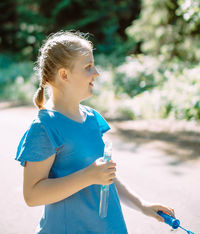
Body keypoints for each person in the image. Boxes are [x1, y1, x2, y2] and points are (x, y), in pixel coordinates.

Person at [15, 30, 175, 234]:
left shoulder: (91, 118)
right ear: (64, 75)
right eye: (88, 67)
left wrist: (142, 205)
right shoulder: (44, 127)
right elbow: (32, 195)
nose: (96, 73)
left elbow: (104, 176)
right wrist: (87, 176)